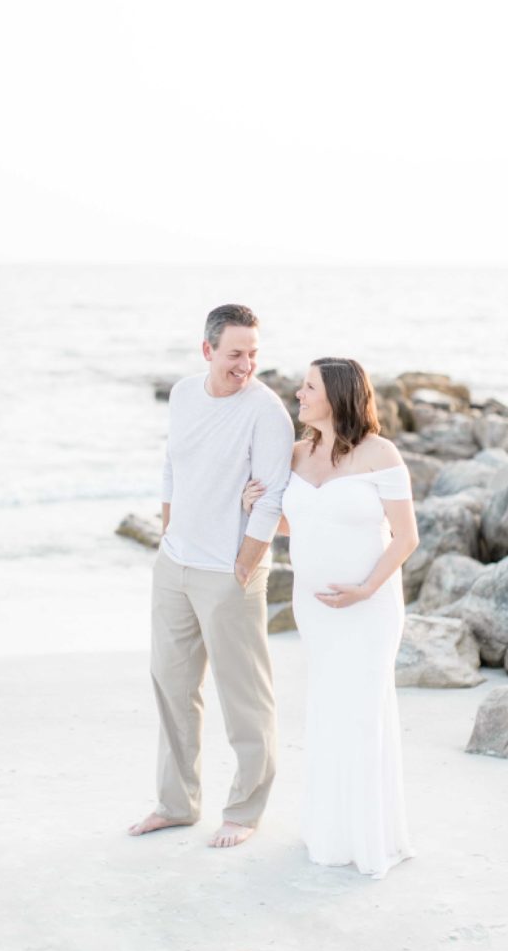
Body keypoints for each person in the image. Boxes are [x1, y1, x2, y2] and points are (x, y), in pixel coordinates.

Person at [242, 358, 419, 876]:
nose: (298, 393)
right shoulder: (296, 454)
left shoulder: (379, 453)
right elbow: (303, 525)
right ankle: (330, 831)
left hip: (370, 607)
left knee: (363, 713)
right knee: (328, 710)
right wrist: (252, 503)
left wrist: (366, 589)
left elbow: (405, 536)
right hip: (315, 606)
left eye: (309, 386)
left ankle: (371, 837)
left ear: (337, 395)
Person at [128, 304, 294, 848]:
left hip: (229, 573)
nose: (246, 365)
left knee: (244, 696)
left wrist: (243, 566)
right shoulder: (182, 394)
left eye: (253, 354)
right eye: (234, 354)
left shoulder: (267, 412)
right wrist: (168, 531)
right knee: (173, 689)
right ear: (207, 351)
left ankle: (245, 809)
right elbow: (172, 462)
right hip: (174, 565)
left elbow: (269, 500)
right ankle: (176, 804)